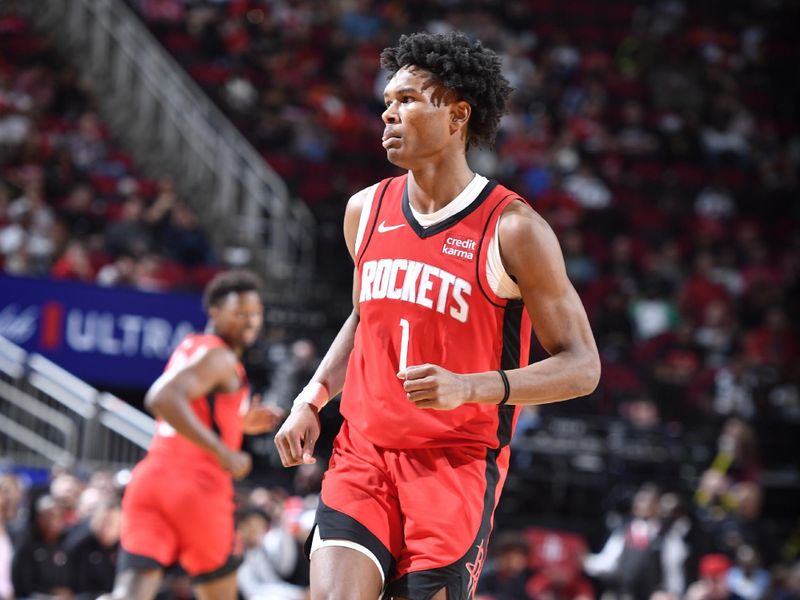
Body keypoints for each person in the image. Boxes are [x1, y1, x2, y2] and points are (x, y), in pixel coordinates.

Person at [274, 31, 600, 600]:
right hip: (363, 453)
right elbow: (364, 317)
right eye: (386, 104)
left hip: (454, 466)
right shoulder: (364, 211)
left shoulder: (514, 229)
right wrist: (311, 398)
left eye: (406, 101)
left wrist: (468, 387)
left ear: (457, 115)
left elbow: (582, 367)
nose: (388, 114)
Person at [102, 270, 282, 600]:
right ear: (214, 311)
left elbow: (196, 412)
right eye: (240, 313)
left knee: (128, 594)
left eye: (255, 314)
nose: (250, 321)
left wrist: (240, 422)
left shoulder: (191, 346)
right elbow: (162, 397)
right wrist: (222, 450)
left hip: (151, 481)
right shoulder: (220, 356)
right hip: (197, 488)